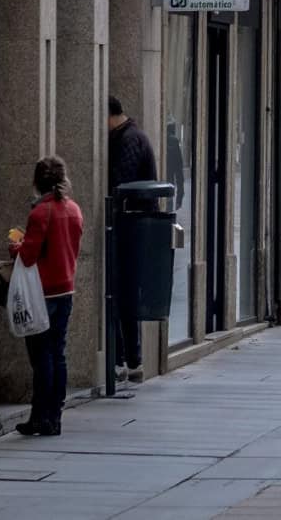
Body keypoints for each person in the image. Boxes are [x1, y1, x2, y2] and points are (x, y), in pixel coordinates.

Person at [11, 156, 84, 437]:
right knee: (57, 353)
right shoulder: (74, 210)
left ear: (36, 182)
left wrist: (15, 247)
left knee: (41, 357)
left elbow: (29, 256)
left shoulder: (41, 213)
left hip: (42, 293)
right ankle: (54, 417)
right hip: (66, 289)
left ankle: (39, 417)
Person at [107, 96, 158, 383]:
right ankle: (129, 359)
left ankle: (126, 359)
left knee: (122, 293)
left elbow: (120, 183)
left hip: (131, 228)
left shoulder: (129, 139)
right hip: (133, 226)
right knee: (124, 293)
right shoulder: (129, 136)